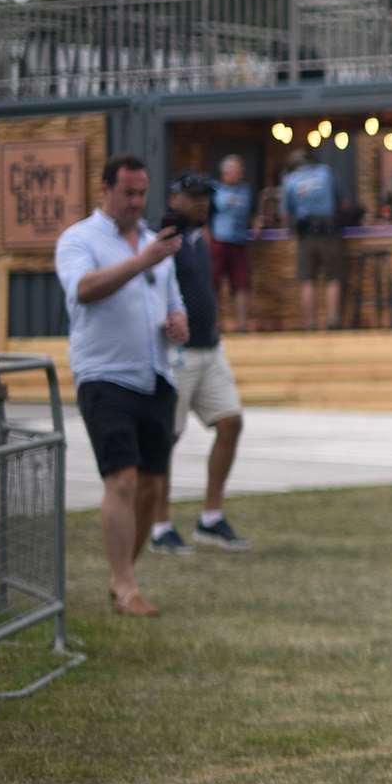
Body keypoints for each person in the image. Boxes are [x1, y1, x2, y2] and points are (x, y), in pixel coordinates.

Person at [54, 155, 185, 617]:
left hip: (156, 376)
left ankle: (120, 575)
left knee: (151, 485)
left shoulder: (154, 243)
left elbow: (173, 300)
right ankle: (127, 586)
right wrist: (141, 261)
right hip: (105, 376)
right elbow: (84, 289)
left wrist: (177, 322)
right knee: (122, 478)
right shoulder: (79, 240)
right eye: (127, 193)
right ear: (105, 190)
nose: (135, 202)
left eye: (141, 193)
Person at [149, 174, 251, 555]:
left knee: (230, 421)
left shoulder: (199, 239)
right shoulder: (161, 238)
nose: (202, 204)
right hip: (177, 353)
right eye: (194, 197)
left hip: (210, 347)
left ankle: (210, 518)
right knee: (166, 439)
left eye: (207, 197)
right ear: (174, 196)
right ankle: (160, 526)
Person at [279, 148, 343, 329]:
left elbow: (284, 214)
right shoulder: (326, 173)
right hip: (329, 231)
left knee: (307, 279)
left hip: (305, 233)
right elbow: (342, 202)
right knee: (333, 278)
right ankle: (332, 320)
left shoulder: (290, 180)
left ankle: (310, 322)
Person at [208, 153, 256, 334]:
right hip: (219, 241)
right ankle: (216, 323)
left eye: (240, 170)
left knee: (241, 283)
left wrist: (256, 224)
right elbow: (207, 216)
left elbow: (251, 214)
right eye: (235, 170)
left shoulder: (246, 191)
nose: (239, 173)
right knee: (215, 284)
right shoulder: (215, 190)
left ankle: (242, 324)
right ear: (225, 172)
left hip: (239, 242)